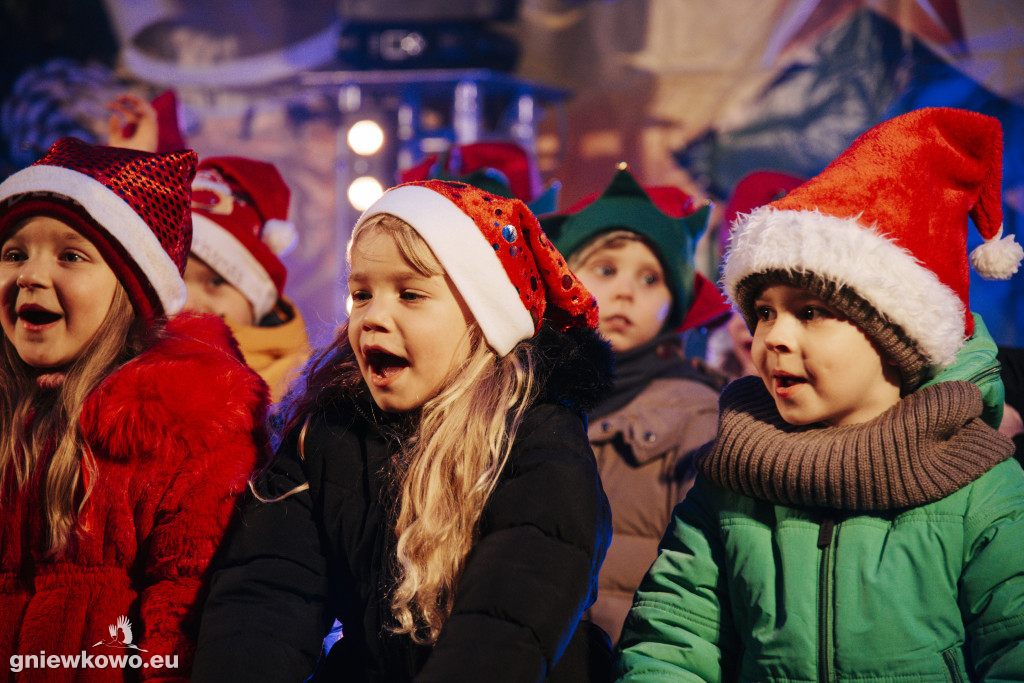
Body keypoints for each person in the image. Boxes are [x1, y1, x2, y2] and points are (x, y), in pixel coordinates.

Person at [616, 107, 1024, 681]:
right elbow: (674, 639)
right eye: (763, 312)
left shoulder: (980, 488)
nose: (773, 337)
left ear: (896, 337)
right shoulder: (735, 477)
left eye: (811, 312)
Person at [192, 179, 616, 682]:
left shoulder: (539, 435)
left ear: (484, 316)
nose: (373, 317)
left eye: (410, 294)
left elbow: (512, 613)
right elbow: (266, 595)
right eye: (361, 294)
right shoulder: (326, 433)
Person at [0, 137, 269, 681]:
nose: (29, 274)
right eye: (13, 253)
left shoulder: (186, 431)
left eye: (71, 255)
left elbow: (184, 619)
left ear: (132, 289)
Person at [539, 166, 729, 644]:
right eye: (605, 269)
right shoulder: (523, 400)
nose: (625, 291)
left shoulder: (697, 419)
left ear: (676, 305)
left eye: (651, 279)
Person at [185, 156, 310, 402]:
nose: (188, 304)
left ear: (256, 298)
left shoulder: (303, 392)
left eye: (217, 282)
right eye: (176, 281)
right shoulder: (126, 371)